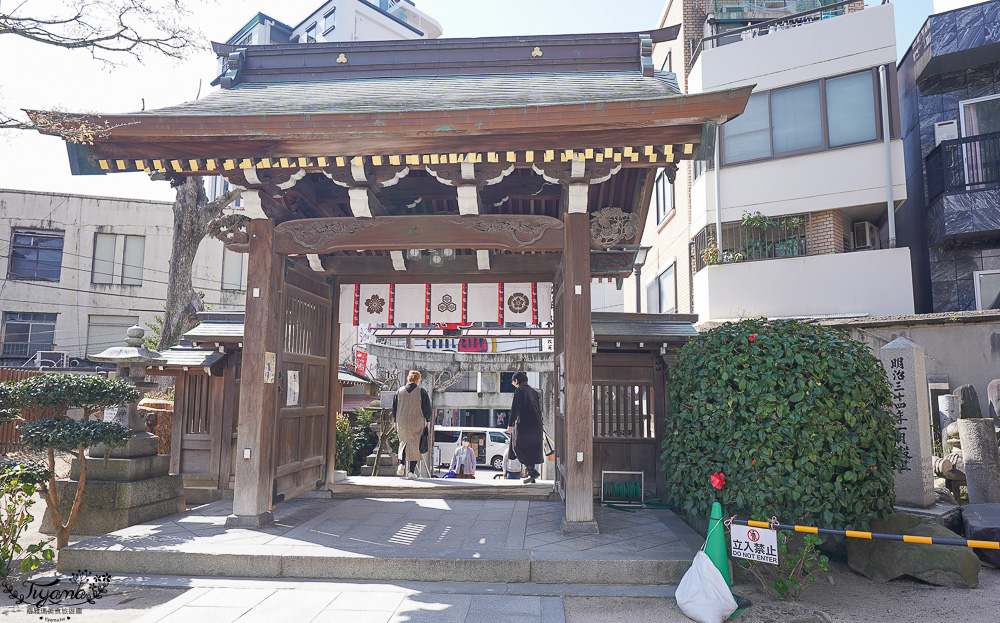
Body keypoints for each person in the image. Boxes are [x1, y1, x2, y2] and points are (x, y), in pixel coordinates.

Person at [392, 370, 431, 480]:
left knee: (403, 442)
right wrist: (428, 420)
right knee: (415, 445)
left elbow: (394, 408)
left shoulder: (399, 391)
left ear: (408, 378)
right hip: (417, 421)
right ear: (418, 380)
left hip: (402, 422)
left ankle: (401, 464)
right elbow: (426, 407)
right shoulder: (421, 391)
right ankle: (411, 472)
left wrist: (395, 421)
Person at [507, 371, 543, 484]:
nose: (513, 383)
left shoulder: (520, 390)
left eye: (513, 381)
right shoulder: (533, 391)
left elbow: (515, 409)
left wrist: (510, 424)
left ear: (517, 380)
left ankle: (532, 472)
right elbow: (539, 409)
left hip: (524, 425)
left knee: (516, 446)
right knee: (531, 449)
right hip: (536, 425)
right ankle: (532, 476)